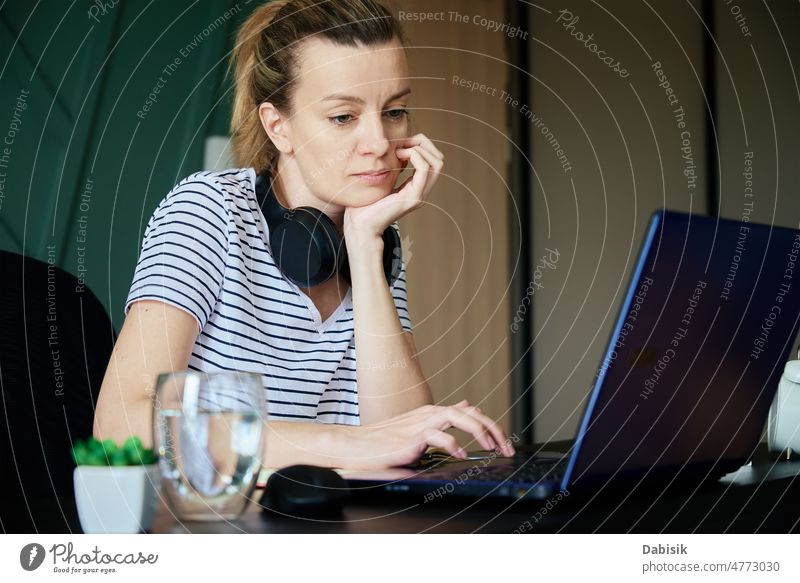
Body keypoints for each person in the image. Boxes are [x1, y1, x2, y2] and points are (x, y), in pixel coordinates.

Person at [93, 0, 514, 470]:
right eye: (343, 117)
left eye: (394, 111)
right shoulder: (210, 210)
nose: (379, 142)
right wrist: (345, 444)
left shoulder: (370, 237)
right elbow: (121, 425)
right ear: (279, 127)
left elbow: (405, 443)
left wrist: (365, 247)